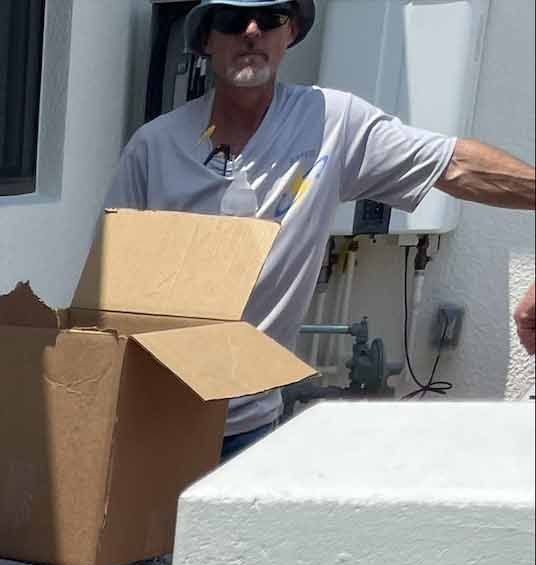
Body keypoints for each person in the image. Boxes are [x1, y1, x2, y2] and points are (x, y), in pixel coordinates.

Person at [107, 3, 536, 456]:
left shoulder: (332, 122)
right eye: (232, 20)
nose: (251, 31)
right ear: (206, 40)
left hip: (251, 427)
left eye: (269, 18)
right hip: (153, 419)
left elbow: (457, 166)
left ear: (289, 32)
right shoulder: (154, 147)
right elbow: (109, 297)